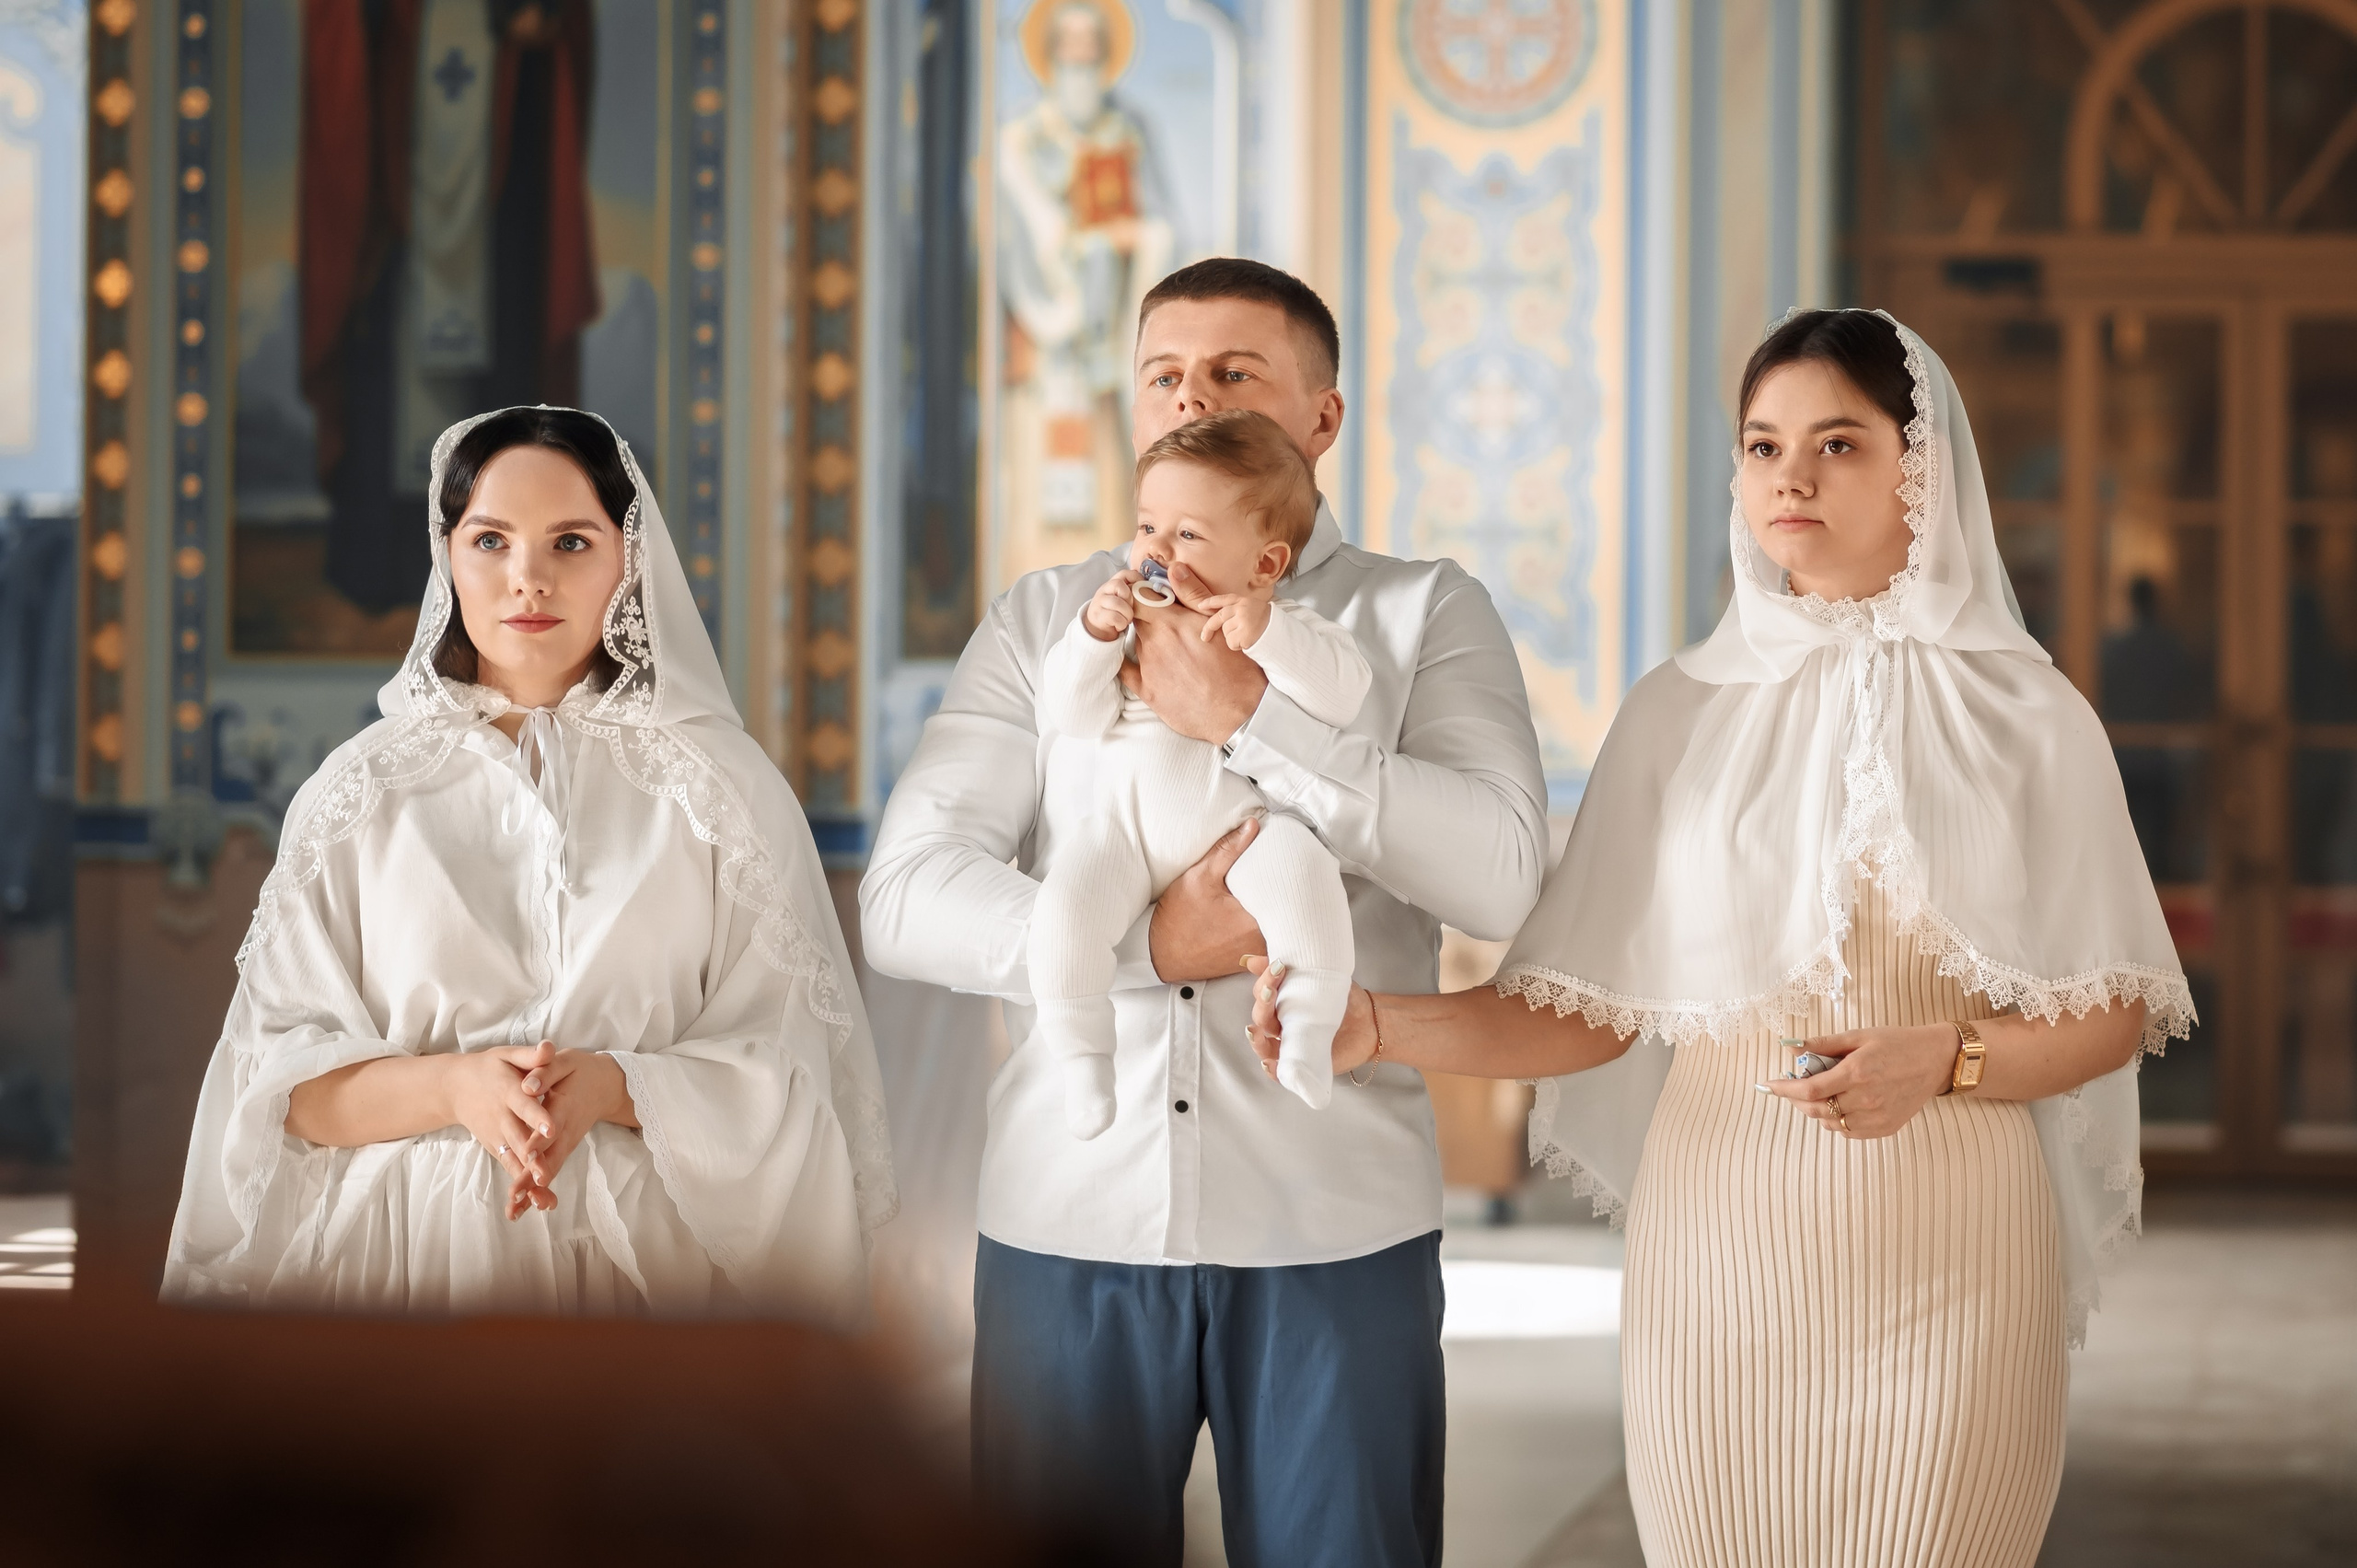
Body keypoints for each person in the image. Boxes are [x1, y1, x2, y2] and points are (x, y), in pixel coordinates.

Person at [1249, 309, 2196, 1568]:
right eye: (1762, 444)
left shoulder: (2034, 714)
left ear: (1924, 468)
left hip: (1957, 1262)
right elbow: (1585, 1005)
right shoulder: (1677, 711)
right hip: (1719, 1264)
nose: (1790, 476)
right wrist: (1378, 1021)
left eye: (1840, 443)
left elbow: (2110, 1011)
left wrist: (1950, 1059)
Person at [861, 258, 1548, 1566]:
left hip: (1333, 1221)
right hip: (1069, 1220)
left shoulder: (1418, 613)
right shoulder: (1049, 622)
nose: (1191, 401)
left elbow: (1499, 873)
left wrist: (1254, 718)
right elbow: (904, 896)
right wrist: (1146, 945)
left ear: (1323, 418)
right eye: (1164, 376)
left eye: (1233, 373)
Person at [163, 406, 894, 1323]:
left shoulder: (723, 796)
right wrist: (455, 1088)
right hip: (400, 1272)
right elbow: (277, 1090)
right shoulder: (357, 794)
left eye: (572, 541)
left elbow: (790, 1078)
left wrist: (616, 1085)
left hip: (651, 1286)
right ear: (447, 555)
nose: (527, 578)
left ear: (628, 560)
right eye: (492, 539)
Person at [1034, 408, 1367, 1136]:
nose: (1155, 551)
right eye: (1148, 526)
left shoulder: (1280, 625)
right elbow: (1075, 714)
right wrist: (1094, 637)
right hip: (1118, 834)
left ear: (1265, 566)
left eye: (1187, 534)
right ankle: (1082, 1064)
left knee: (1305, 876)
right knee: (1061, 915)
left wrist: (1267, 635)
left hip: (1239, 831)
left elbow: (1345, 690)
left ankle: (1308, 1034)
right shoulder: (1121, 628)